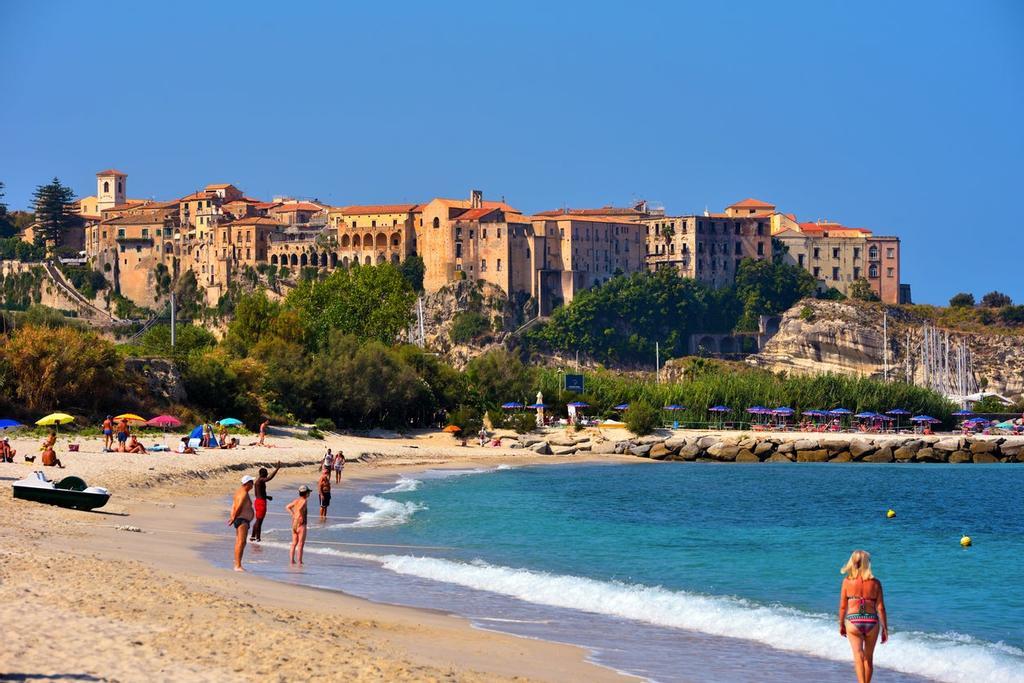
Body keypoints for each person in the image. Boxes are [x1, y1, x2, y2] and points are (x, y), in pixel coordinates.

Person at [839, 550, 888, 683]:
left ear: (852, 562)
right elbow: (881, 608)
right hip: (872, 621)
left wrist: (841, 624)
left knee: (858, 656)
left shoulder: (847, 582)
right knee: (869, 658)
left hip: (853, 621)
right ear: (868, 563)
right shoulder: (876, 583)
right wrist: (885, 629)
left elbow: (843, 607)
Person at [228, 476, 255, 571]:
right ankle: (238, 565)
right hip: (242, 519)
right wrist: (233, 518)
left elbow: (233, 505)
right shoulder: (243, 494)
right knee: (241, 542)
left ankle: (237, 563)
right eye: (252, 482)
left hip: (240, 519)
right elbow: (238, 507)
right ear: (247, 483)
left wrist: (232, 516)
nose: (253, 483)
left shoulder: (239, 492)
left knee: (239, 542)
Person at [250, 462, 281, 543]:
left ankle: (253, 537)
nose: (267, 475)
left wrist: (267, 497)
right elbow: (270, 478)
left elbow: (260, 493)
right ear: (263, 474)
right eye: (266, 473)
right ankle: (258, 538)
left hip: (259, 501)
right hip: (260, 503)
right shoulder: (260, 480)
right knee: (259, 521)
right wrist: (277, 469)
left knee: (258, 520)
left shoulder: (259, 481)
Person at [285, 485, 311, 565]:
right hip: (301, 524)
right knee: (300, 544)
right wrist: (302, 517)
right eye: (308, 492)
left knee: (294, 543)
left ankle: (292, 560)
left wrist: (293, 514)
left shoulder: (296, 500)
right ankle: (299, 561)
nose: (309, 494)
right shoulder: (304, 501)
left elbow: (287, 507)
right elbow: (300, 509)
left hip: (294, 523)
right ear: (306, 493)